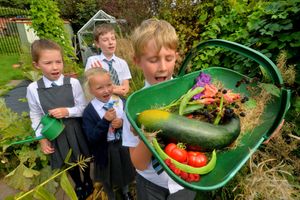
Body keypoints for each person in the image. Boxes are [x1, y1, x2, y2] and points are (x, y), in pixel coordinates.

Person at [122, 19, 196, 200]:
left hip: (184, 182)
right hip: (151, 185)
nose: (162, 67)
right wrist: (148, 135)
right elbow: (139, 164)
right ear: (137, 61)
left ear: (176, 57)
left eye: (169, 58)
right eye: (153, 60)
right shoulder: (134, 107)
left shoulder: (190, 94)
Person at [26, 39, 93, 200]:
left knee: (82, 156)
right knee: (68, 159)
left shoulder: (73, 83)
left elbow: (83, 108)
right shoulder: (33, 89)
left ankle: (88, 180)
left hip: (75, 129)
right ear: (37, 65)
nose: (55, 67)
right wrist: (41, 138)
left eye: (58, 62)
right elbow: (35, 114)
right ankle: (77, 183)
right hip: (57, 133)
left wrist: (67, 111)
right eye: (48, 63)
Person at [82, 68, 135, 200]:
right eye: (100, 88)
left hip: (123, 145)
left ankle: (125, 191)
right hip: (105, 150)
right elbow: (92, 138)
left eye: (109, 85)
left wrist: (122, 122)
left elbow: (131, 120)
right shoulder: (89, 111)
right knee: (107, 175)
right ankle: (110, 195)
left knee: (124, 170)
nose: (106, 90)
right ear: (91, 90)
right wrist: (105, 121)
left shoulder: (121, 101)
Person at [85, 23, 131, 97]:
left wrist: (104, 85)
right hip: (101, 102)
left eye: (113, 38)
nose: (110, 42)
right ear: (97, 44)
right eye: (105, 40)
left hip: (119, 101)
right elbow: (92, 87)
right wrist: (115, 89)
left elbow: (125, 90)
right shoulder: (92, 61)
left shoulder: (122, 63)